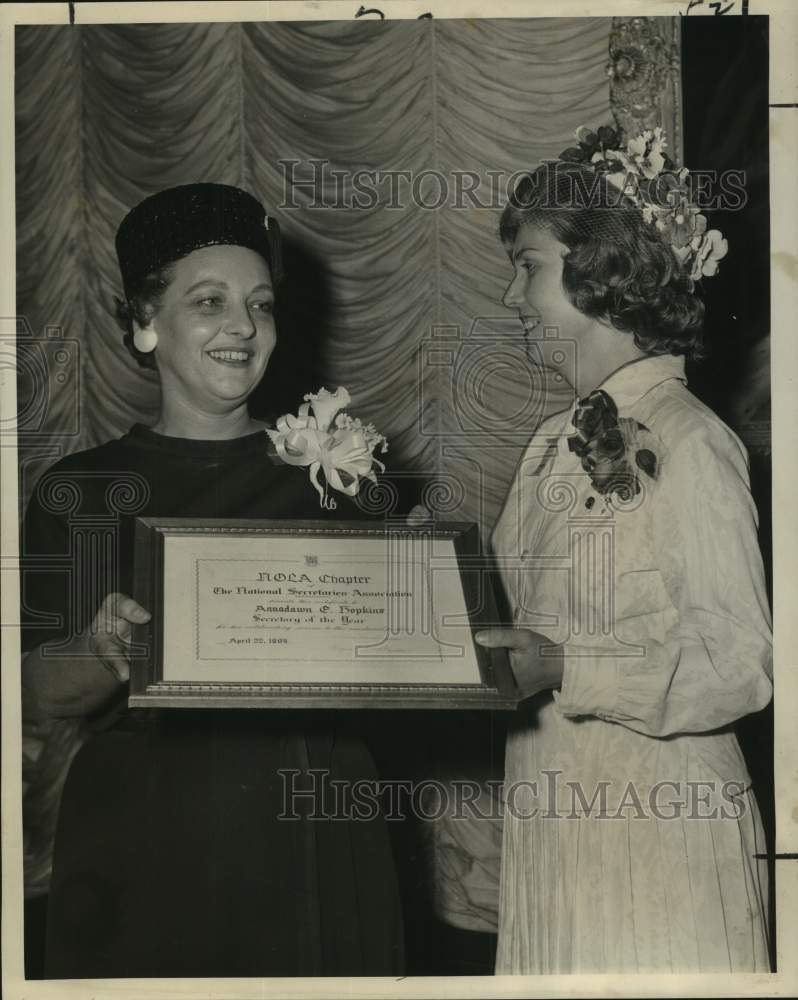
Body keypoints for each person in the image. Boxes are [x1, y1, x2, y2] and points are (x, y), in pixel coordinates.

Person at [20, 183, 404, 978]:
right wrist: (102, 648)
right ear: (143, 324)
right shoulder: (82, 488)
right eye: (210, 301)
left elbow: (398, 659)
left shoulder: (337, 471)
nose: (243, 326)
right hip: (147, 839)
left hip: (315, 826)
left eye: (260, 305)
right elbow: (34, 689)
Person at [475, 131, 773, 973]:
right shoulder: (545, 444)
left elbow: (742, 661)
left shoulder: (694, 440)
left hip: (658, 834)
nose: (510, 295)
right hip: (553, 827)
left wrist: (570, 668)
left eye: (527, 265)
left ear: (598, 270)